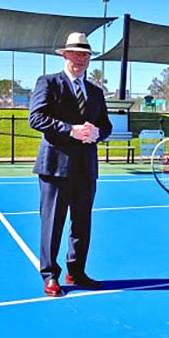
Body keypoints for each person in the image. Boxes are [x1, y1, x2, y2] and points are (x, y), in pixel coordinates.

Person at [29, 32, 112, 297]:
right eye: (75, 53)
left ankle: (76, 271)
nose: (80, 58)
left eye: (85, 54)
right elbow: (37, 118)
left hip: (86, 167)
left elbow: (106, 124)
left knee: (82, 223)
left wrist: (98, 133)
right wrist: (70, 130)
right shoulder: (48, 83)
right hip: (55, 166)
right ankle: (50, 275)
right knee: (52, 223)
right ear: (65, 55)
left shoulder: (96, 92)